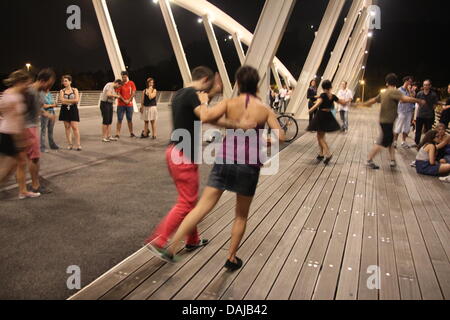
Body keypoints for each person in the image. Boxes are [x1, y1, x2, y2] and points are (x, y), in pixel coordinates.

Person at [151, 66, 285, 270]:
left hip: (224, 160)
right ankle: (231, 257)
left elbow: (206, 116)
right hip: (249, 165)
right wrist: (265, 139)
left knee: (202, 206)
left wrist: (205, 103)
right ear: (256, 84)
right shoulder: (265, 109)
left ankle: (171, 248)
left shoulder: (228, 103)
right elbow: (280, 136)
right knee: (241, 215)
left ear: (238, 83)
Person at [144, 66, 226, 255]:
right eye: (209, 85)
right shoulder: (191, 94)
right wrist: (207, 100)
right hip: (183, 155)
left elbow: (196, 112)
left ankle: (193, 239)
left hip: (175, 152)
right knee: (186, 203)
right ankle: (159, 240)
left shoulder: (181, 93)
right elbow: (205, 115)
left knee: (189, 201)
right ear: (205, 79)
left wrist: (211, 94)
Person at [359, 73, 425, 170]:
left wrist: (361, 104)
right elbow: (405, 99)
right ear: (395, 82)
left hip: (383, 120)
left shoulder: (384, 92)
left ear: (386, 83)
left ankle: (392, 160)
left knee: (390, 141)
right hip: (388, 121)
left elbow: (373, 100)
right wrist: (418, 101)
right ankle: (369, 159)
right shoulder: (394, 92)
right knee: (382, 143)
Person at [18, 68, 56, 197]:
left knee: (26, 159)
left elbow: (36, 109)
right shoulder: (32, 91)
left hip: (27, 126)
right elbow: (26, 110)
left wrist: (47, 114)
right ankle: (35, 186)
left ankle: (26, 186)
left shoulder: (35, 91)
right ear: (42, 80)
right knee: (34, 158)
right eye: (49, 83)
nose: (50, 86)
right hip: (28, 127)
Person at [0, 70, 31, 196]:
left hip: (8, 132)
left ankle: (22, 191)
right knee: (7, 168)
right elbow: (17, 120)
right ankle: (22, 191)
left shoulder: (9, 93)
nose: (27, 87)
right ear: (19, 82)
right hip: (11, 134)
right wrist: (21, 140)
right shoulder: (14, 97)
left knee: (20, 162)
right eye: (26, 84)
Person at [307, 80, 350, 165]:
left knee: (320, 137)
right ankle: (321, 154)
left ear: (323, 87)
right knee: (320, 135)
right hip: (328, 115)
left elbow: (318, 104)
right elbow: (342, 102)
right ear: (330, 87)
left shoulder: (323, 95)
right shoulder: (333, 96)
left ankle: (328, 154)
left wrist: (310, 110)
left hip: (321, 115)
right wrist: (349, 99)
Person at [59, 75, 81, 151]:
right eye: (63, 81)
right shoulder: (62, 91)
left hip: (73, 109)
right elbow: (61, 100)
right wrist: (72, 101)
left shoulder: (75, 90)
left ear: (70, 81)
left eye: (66, 81)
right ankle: (70, 144)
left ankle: (78, 144)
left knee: (75, 127)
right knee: (67, 127)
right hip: (64, 110)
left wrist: (66, 101)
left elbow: (77, 100)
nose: (64, 82)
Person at [393, 76, 416, 149]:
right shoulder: (399, 90)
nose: (410, 83)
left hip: (409, 111)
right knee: (398, 127)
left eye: (411, 82)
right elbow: (401, 100)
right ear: (405, 81)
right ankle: (395, 142)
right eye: (409, 81)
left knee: (406, 128)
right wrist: (409, 99)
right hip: (401, 111)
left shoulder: (411, 91)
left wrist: (409, 91)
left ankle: (403, 142)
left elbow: (413, 99)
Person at [415, 80, 439, 146]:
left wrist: (430, 108)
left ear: (430, 86)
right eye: (424, 85)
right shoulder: (419, 93)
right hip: (420, 115)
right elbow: (417, 102)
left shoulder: (433, 94)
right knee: (418, 130)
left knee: (428, 131)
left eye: (427, 85)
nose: (425, 86)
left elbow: (435, 104)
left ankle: (427, 144)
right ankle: (417, 143)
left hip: (429, 116)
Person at [114, 71, 136, 138]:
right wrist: (124, 100)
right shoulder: (120, 84)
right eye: (122, 77)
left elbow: (133, 92)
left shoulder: (131, 83)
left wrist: (128, 100)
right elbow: (118, 93)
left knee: (129, 119)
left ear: (127, 76)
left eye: (125, 77)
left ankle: (131, 132)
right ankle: (117, 133)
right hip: (121, 105)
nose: (123, 78)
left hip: (129, 105)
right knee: (119, 119)